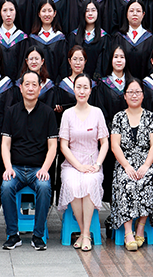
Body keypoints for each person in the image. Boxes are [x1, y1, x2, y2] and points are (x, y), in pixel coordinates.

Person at [0, 70, 58, 251]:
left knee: (44, 187)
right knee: (6, 186)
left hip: (37, 169)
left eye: (34, 85)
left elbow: (53, 146)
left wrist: (45, 169)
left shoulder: (48, 113)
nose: (30, 88)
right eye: (27, 84)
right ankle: (13, 235)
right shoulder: (11, 112)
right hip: (16, 168)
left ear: (40, 88)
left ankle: (38, 235)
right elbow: (5, 144)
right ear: (21, 88)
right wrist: (8, 167)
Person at [109, 78, 153, 251]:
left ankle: (141, 226)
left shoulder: (150, 117)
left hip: (146, 162)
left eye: (137, 92)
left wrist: (146, 166)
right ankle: (128, 232)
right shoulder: (118, 117)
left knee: (150, 178)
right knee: (127, 181)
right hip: (125, 162)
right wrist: (126, 166)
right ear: (124, 96)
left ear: (143, 95)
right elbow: (115, 145)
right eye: (130, 92)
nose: (134, 95)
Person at [59, 74, 110, 251]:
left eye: (85, 87)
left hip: (92, 162)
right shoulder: (67, 114)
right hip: (72, 163)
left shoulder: (97, 113)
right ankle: (84, 233)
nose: (82, 91)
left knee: (89, 182)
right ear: (73, 90)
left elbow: (104, 143)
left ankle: (85, 234)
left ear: (90, 90)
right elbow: (63, 145)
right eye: (78, 87)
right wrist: (79, 166)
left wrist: (97, 164)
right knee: (72, 184)